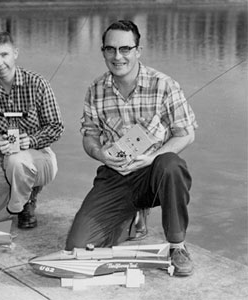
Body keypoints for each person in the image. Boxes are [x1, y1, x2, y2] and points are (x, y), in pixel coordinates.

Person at [65, 20, 198, 276]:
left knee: (171, 163)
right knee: (79, 249)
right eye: (110, 49)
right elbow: (89, 137)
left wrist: (151, 159)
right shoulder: (95, 90)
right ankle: (132, 220)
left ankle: (177, 245)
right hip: (115, 176)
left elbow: (186, 134)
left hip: (154, 173)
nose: (118, 56)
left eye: (126, 49)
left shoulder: (164, 85)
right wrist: (99, 153)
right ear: (103, 51)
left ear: (138, 50)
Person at [0, 30, 64, 229]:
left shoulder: (38, 83)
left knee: (17, 160)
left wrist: (30, 141)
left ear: (15, 53)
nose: (0, 63)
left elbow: (56, 127)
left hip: (39, 158)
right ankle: (15, 196)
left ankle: (23, 203)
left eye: (4, 55)